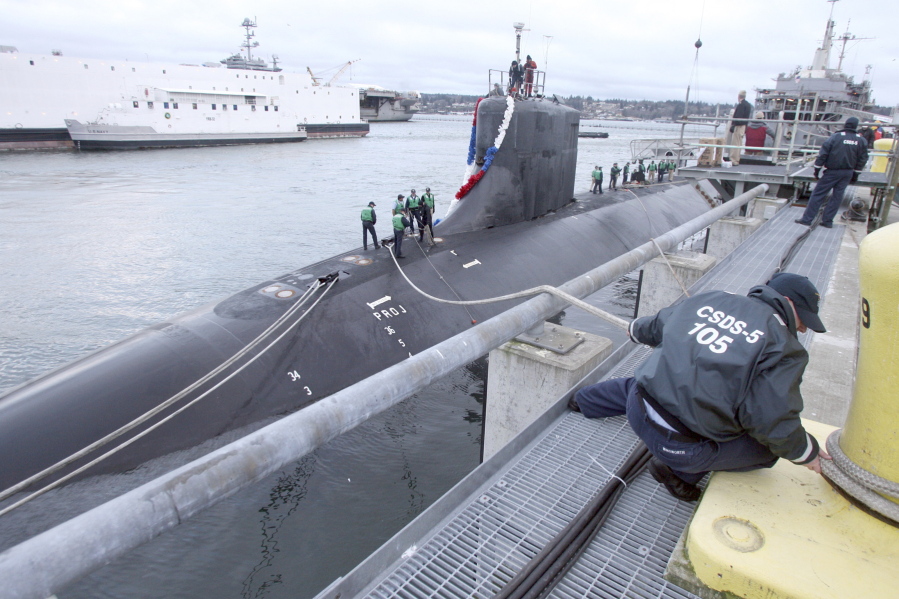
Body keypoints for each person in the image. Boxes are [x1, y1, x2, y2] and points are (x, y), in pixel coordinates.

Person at [571, 273, 830, 502]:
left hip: (637, 407)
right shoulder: (785, 349)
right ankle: (678, 473)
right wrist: (806, 453)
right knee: (766, 450)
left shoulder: (711, 298)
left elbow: (658, 325)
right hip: (681, 447)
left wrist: (636, 329)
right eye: (804, 319)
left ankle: (583, 400)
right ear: (789, 302)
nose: (804, 327)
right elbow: (771, 420)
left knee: (650, 381)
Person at [795, 116, 869, 229]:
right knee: (837, 197)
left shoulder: (835, 137)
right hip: (847, 172)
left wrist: (817, 169)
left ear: (846, 125)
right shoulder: (861, 140)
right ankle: (828, 221)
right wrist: (856, 174)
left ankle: (807, 219)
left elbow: (823, 153)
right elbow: (862, 159)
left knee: (818, 194)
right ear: (856, 126)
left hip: (832, 171)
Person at [728, 90, 752, 166]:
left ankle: (733, 160)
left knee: (735, 143)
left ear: (739, 96)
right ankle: (737, 159)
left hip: (739, 126)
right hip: (744, 126)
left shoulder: (741, 105)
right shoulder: (748, 105)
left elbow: (738, 116)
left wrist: (733, 124)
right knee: (739, 143)